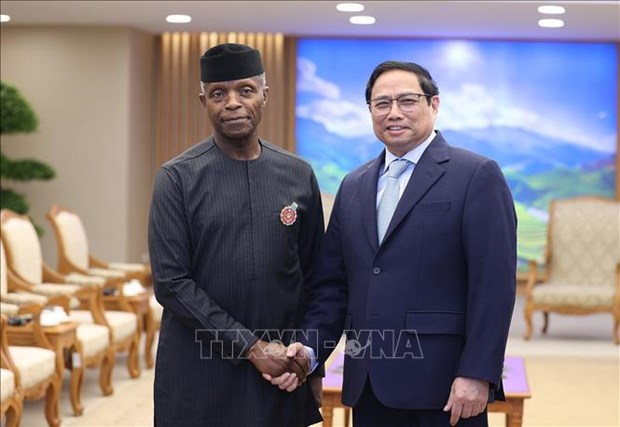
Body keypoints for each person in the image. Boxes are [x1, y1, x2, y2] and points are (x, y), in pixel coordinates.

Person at [269, 61, 517, 426]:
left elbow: (493, 286)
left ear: (434, 105)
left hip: (445, 387)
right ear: (370, 111)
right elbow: (332, 288)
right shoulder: (353, 185)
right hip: (368, 384)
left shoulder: (476, 175)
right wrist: (308, 350)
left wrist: (478, 373)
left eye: (407, 100)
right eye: (381, 103)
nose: (394, 112)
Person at [148, 42, 324, 426]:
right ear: (203, 100)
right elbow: (171, 283)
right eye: (218, 93)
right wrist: (251, 347)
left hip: (281, 376)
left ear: (264, 94)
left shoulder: (297, 174)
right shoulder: (177, 178)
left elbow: (315, 279)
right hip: (198, 373)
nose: (232, 102)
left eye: (245, 90)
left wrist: (311, 364)